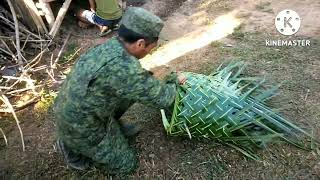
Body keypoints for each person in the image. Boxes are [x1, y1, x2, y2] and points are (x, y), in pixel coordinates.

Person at [54, 7, 186, 174]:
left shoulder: (110, 46)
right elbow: (162, 98)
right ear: (140, 43)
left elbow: (141, 84)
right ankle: (71, 147)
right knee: (126, 165)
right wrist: (176, 83)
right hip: (81, 127)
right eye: (151, 48)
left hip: (71, 110)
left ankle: (105, 128)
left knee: (138, 85)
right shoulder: (124, 68)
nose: (150, 52)